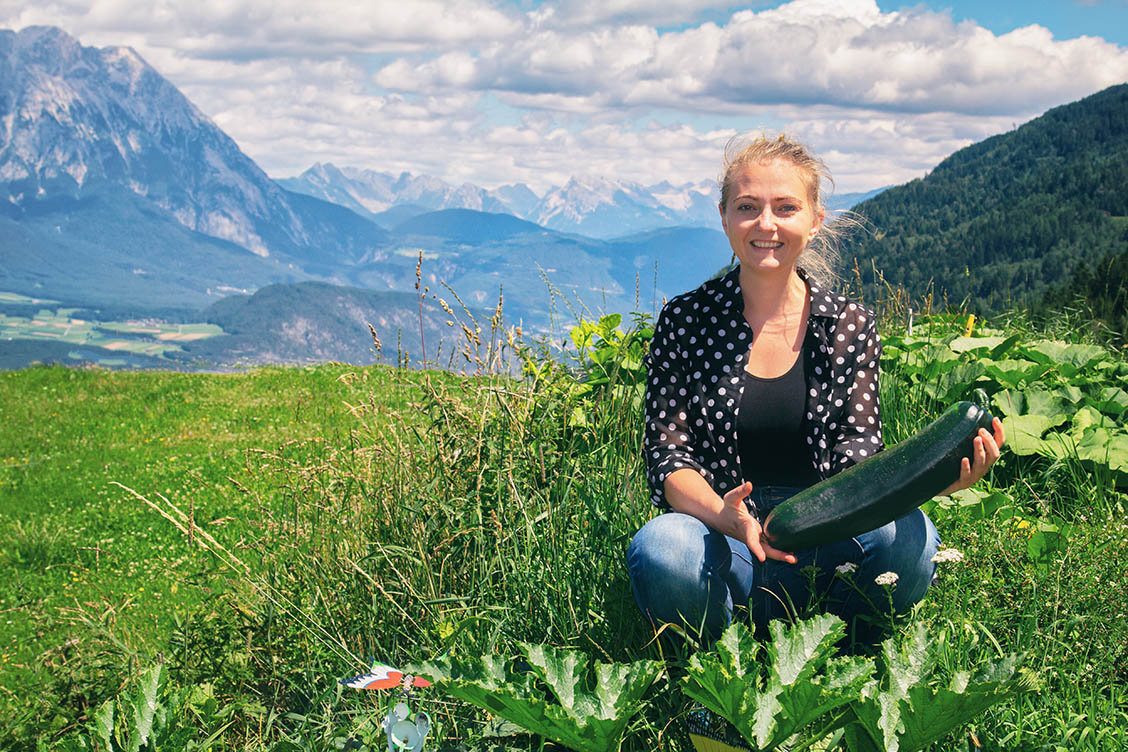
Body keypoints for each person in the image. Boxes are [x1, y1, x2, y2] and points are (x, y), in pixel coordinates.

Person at [626, 134, 1005, 653]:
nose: (766, 224)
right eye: (747, 207)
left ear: (814, 219)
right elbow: (668, 458)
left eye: (785, 208)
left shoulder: (850, 325)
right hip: (725, 542)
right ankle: (711, 684)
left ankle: (848, 663)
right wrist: (724, 516)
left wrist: (939, 481)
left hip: (830, 539)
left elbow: (861, 460)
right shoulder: (687, 321)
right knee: (664, 545)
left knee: (915, 539)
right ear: (723, 217)